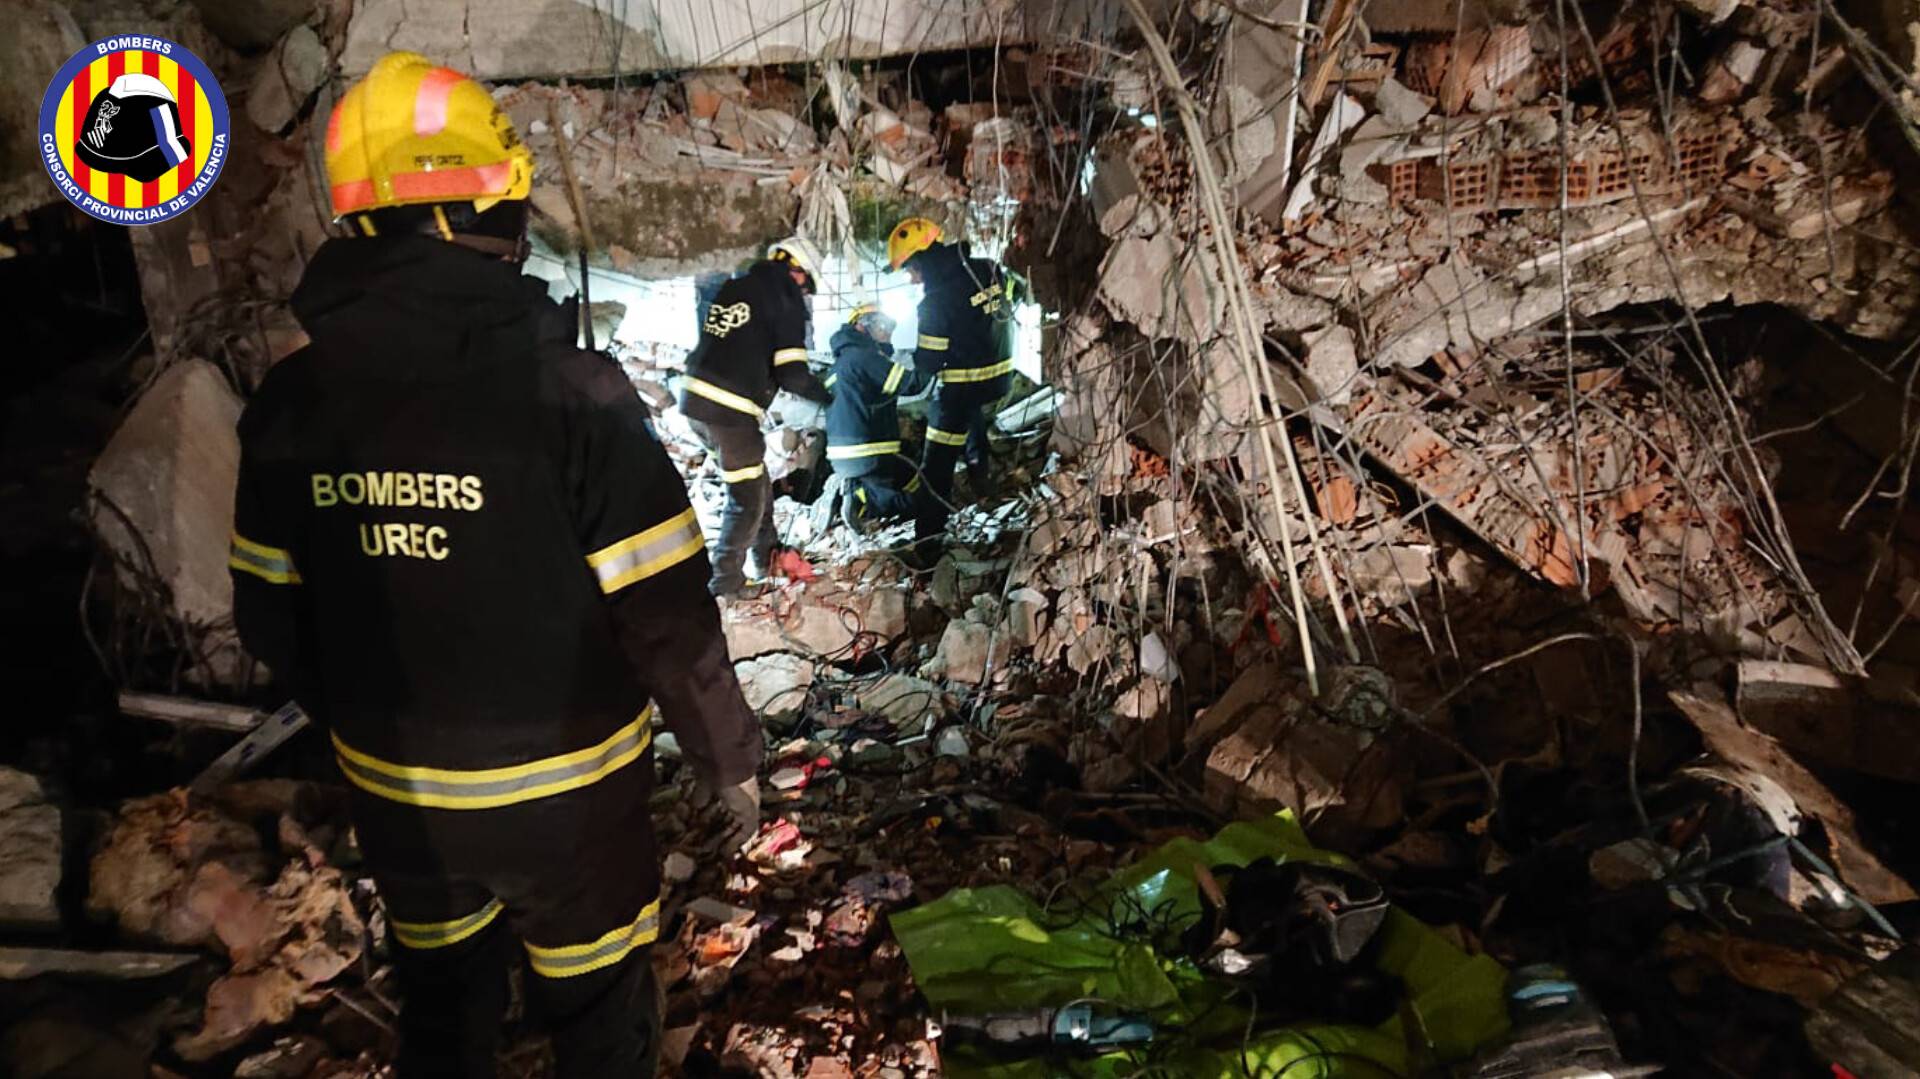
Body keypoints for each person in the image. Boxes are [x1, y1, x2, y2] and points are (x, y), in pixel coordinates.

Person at [228, 52, 762, 1079]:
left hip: (402, 798)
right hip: (570, 808)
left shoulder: (289, 404)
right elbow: (667, 616)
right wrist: (726, 754)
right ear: (475, 207)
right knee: (599, 1011)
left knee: (444, 1009)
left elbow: (270, 617)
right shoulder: (573, 394)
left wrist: (372, 726)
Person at [678, 237, 833, 596]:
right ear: (796, 272)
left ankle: (769, 558)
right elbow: (792, 374)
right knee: (747, 496)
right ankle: (727, 583)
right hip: (728, 408)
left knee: (755, 479)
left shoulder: (739, 285)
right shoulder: (786, 298)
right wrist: (827, 398)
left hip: (697, 402)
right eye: (807, 285)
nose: (805, 293)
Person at [886, 217, 1015, 549]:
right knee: (971, 416)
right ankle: (979, 473)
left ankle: (927, 545)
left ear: (921, 260)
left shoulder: (934, 302)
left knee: (936, 467)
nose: (911, 279)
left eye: (909, 270)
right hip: (1000, 378)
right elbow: (1008, 301)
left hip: (962, 388)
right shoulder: (988, 269)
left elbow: (928, 364)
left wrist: (897, 380)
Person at [825, 304, 931, 529]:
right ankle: (868, 504)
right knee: (911, 504)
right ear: (861, 326)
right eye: (882, 325)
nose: (887, 332)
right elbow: (910, 384)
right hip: (869, 450)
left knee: (910, 473)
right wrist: (934, 359)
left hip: (843, 455)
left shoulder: (839, 364)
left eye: (890, 327)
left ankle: (859, 495)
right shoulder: (864, 357)